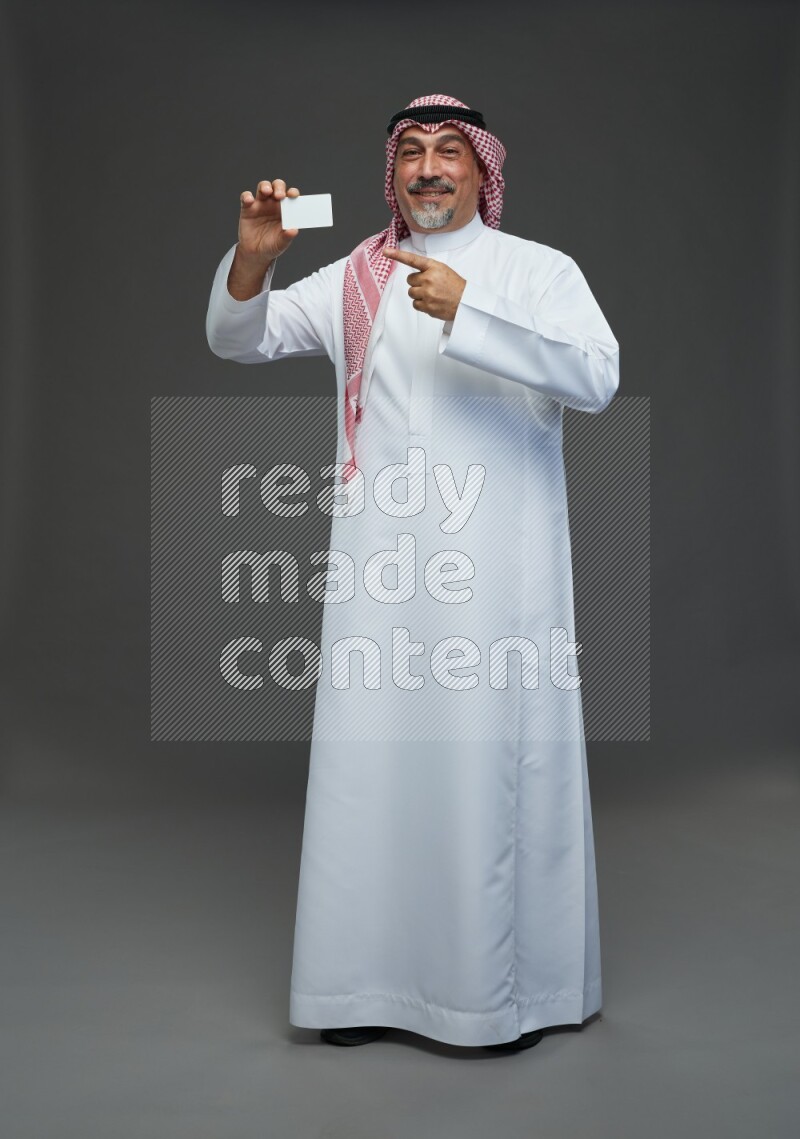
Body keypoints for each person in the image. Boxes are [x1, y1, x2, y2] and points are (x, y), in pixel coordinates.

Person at [206, 94, 620, 1053]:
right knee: (369, 771)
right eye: (412, 154)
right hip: (378, 575)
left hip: (496, 577)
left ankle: (493, 999)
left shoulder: (535, 271)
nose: (430, 168)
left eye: (448, 152)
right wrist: (254, 262)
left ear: (483, 170)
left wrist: (470, 312)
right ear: (392, 173)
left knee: (481, 770)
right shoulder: (360, 274)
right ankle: (359, 990)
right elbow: (240, 338)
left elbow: (596, 375)